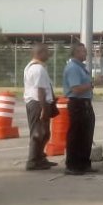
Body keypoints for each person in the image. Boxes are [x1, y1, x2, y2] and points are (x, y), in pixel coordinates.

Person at [62, 42, 95, 175]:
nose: (86, 53)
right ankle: (72, 165)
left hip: (85, 103)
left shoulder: (81, 67)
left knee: (86, 135)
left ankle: (84, 163)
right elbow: (76, 89)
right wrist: (92, 84)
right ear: (75, 53)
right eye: (83, 51)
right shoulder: (73, 68)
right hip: (78, 104)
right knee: (76, 135)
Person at [23, 42, 57, 171]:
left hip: (40, 103)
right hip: (38, 103)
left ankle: (40, 158)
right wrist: (44, 108)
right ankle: (32, 161)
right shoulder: (38, 69)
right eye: (47, 51)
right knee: (38, 133)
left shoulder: (36, 67)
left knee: (45, 133)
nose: (49, 54)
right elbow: (40, 90)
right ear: (40, 53)